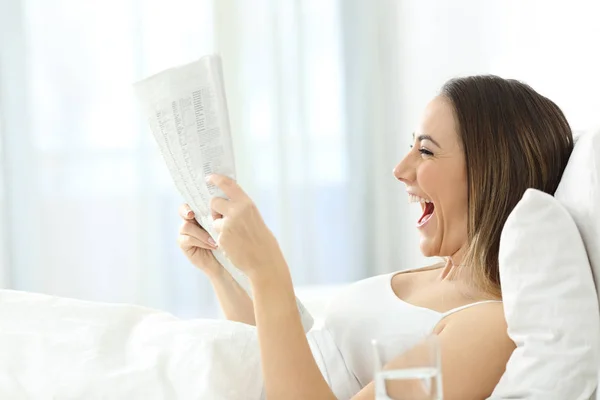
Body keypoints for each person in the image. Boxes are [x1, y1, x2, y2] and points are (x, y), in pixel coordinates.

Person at [177, 75, 573, 399]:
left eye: (426, 152)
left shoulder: (489, 326)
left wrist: (267, 270)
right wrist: (222, 272)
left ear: (491, 173)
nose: (401, 169)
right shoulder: (435, 275)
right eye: (410, 147)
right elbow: (285, 358)